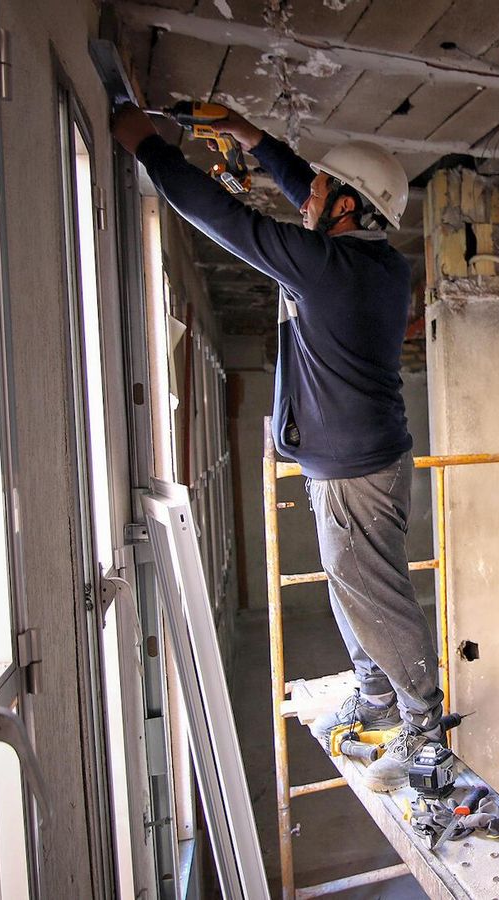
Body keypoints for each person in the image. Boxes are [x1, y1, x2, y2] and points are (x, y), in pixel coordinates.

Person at [111, 104, 441, 792]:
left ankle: (425, 733)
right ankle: (379, 697)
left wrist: (152, 151)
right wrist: (247, 135)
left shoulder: (323, 267)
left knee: (373, 596)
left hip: (355, 469)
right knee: (357, 589)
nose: (307, 194)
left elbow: (226, 219)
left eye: (323, 189)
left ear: (348, 206)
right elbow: (311, 193)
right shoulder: (375, 263)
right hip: (360, 459)